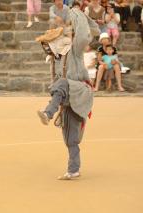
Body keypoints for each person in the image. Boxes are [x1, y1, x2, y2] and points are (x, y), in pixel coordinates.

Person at [36, 7, 101, 180]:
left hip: (78, 92)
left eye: (48, 44)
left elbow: (82, 35)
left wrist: (76, 14)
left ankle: (48, 113)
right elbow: (56, 87)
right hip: (67, 97)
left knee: (63, 82)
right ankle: (73, 170)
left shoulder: (74, 50)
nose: (47, 48)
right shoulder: (54, 62)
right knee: (70, 139)